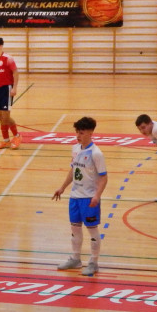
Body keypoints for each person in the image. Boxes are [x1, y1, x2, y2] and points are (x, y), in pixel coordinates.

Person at [53, 117, 108, 276]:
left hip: (89, 198)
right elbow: (73, 170)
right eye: (77, 132)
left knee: (92, 230)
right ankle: (76, 259)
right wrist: (62, 187)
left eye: (81, 133)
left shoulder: (96, 153)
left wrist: (97, 195)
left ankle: (93, 262)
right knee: (74, 229)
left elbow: (104, 177)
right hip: (75, 197)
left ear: (90, 133)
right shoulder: (75, 149)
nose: (78, 135)